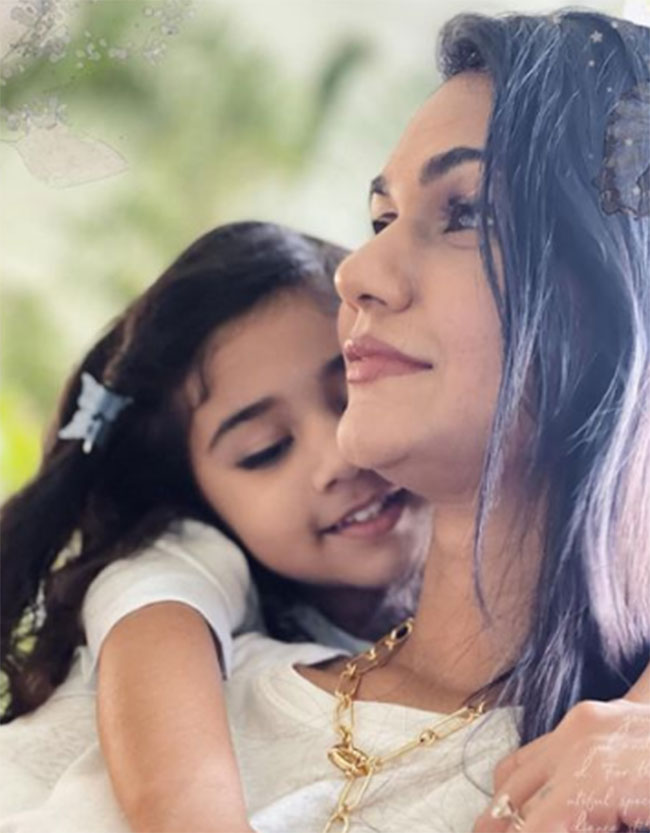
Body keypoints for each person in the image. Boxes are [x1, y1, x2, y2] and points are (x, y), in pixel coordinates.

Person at [1, 8, 649, 833]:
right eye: (380, 219)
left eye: (465, 212)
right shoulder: (176, 682)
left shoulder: (610, 779)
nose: (357, 272)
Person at [0, 221, 430, 832]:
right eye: (265, 449)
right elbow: (180, 801)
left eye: (355, 392)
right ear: (197, 496)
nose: (340, 455)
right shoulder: (182, 564)